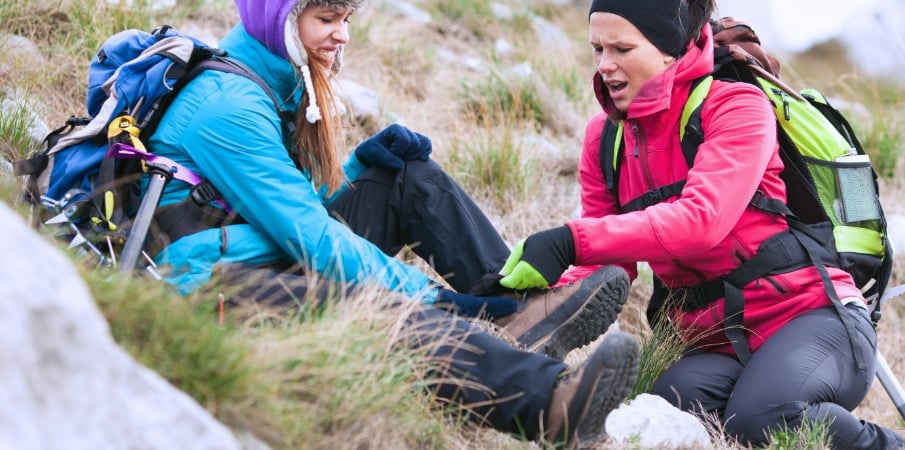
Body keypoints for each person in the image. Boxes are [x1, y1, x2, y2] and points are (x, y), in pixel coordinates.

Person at [141, 0, 639, 447]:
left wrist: (358, 167)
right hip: (204, 288)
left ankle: (513, 314)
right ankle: (552, 404)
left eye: (346, 19)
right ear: (279, 19)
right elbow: (311, 237)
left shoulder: (272, 79)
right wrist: (434, 298)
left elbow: (277, 207)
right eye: (326, 19)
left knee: (404, 175)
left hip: (247, 252)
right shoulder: (230, 106)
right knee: (374, 304)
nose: (342, 34)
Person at [497, 0, 905, 448]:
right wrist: (535, 301)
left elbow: (702, 221)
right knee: (661, 411)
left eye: (622, 49)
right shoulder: (605, 137)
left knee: (764, 417)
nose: (605, 66)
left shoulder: (736, 107)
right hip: (712, 343)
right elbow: (605, 265)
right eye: (597, 49)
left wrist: (569, 242)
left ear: (669, 47)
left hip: (813, 318)